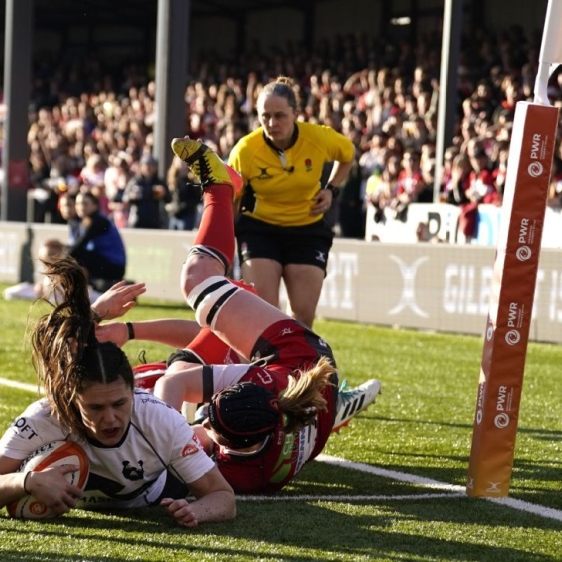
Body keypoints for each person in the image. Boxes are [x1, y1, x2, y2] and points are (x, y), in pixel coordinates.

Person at [137, 137, 380, 494]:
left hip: (312, 397)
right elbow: (175, 393)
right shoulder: (249, 461)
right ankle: (220, 188)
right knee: (199, 284)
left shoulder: (245, 460)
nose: (205, 430)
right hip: (299, 354)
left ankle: (337, 406)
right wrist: (162, 442)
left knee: (178, 369)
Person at [0, 256, 236, 528]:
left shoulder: (157, 418)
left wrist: (196, 510)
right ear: (71, 398)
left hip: (157, 490)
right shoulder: (44, 417)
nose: (111, 418)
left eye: (119, 403)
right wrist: (27, 481)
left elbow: (223, 497)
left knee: (206, 438)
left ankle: (203, 425)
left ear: (134, 390)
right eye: (95, 408)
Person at [228, 76, 355, 327]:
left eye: (280, 115)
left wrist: (331, 189)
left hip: (307, 230)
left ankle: (293, 366)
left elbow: (348, 155)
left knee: (302, 318)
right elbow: (231, 201)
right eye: (265, 116)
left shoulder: (318, 138)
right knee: (264, 314)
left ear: (296, 113)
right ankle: (262, 367)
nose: (272, 123)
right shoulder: (245, 150)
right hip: (259, 229)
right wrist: (225, 249)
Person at [68, 190, 127, 294]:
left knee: (77, 257)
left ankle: (80, 291)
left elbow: (80, 245)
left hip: (114, 267)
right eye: (78, 204)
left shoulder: (99, 221)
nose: (81, 207)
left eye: (85, 204)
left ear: (95, 205)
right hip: (105, 262)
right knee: (75, 256)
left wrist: (60, 259)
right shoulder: (82, 221)